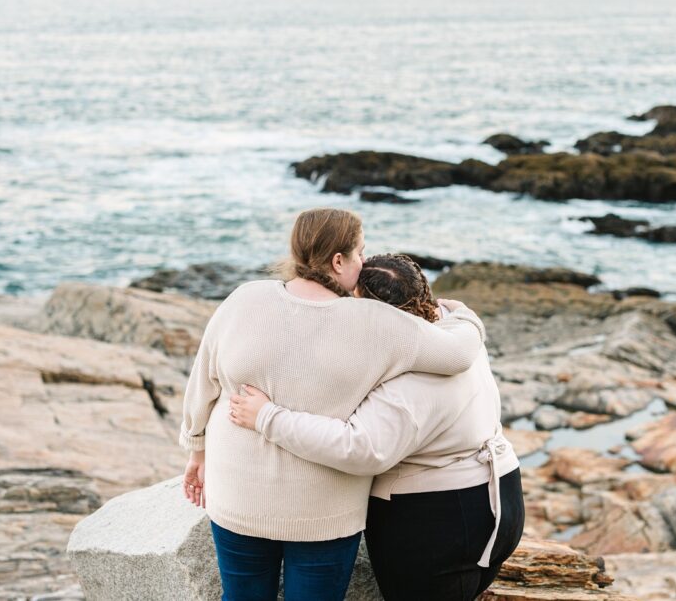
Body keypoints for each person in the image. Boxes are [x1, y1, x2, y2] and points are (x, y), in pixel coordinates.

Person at [179, 209, 487, 601]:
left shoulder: (245, 298)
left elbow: (202, 380)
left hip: (237, 494)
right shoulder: (378, 323)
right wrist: (465, 315)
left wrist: (196, 448)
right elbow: (459, 354)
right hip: (323, 513)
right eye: (359, 252)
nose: (363, 262)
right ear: (338, 260)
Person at [229, 253, 524, 601]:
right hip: (502, 494)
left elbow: (360, 448)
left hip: (440, 522)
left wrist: (266, 417)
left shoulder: (411, 383)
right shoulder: (452, 327)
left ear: (374, 313)